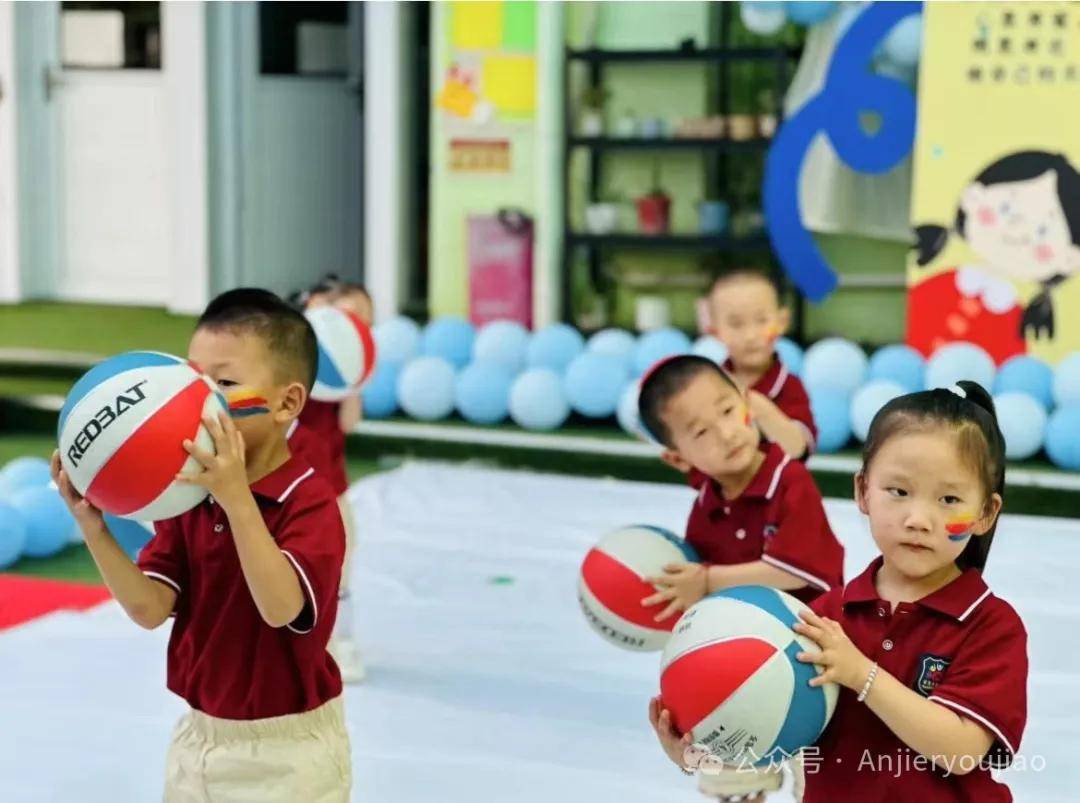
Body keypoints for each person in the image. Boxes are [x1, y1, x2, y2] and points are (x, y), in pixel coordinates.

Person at [652, 381, 1028, 803]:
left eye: (949, 498)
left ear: (986, 513)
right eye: (899, 492)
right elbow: (773, 736)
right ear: (862, 491)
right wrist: (698, 754)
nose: (919, 519)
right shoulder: (819, 617)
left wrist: (861, 675)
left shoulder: (991, 625)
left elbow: (961, 752)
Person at [53, 288, 351, 802]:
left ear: (287, 403)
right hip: (200, 741)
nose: (202, 397)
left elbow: (280, 607)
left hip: (288, 754)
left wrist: (237, 497)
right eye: (193, 378)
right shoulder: (189, 500)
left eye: (225, 383)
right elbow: (149, 608)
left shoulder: (309, 501)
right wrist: (93, 527)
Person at [638, 354, 844, 802]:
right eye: (700, 432)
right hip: (739, 678)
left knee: (820, 785)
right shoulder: (706, 507)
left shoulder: (788, 481)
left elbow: (793, 569)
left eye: (728, 410)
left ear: (746, 401)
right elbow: (704, 608)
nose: (727, 432)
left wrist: (707, 580)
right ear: (678, 458)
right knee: (727, 777)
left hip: (813, 665)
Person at [289, 274, 372, 682]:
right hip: (286, 483)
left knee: (341, 564)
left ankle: (343, 644)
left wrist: (355, 382)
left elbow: (351, 424)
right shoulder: (295, 358)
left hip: (330, 485)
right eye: (351, 314)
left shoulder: (345, 375)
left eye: (366, 321)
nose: (359, 325)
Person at [704, 269, 817, 459]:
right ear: (715, 332)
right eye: (736, 324)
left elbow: (799, 449)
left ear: (782, 322)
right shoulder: (708, 386)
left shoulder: (790, 387)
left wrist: (756, 405)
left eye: (761, 320)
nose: (750, 336)